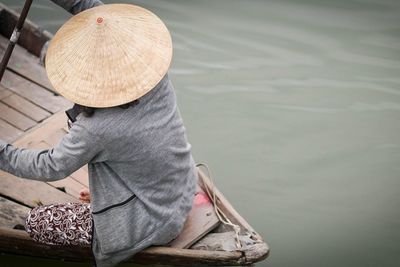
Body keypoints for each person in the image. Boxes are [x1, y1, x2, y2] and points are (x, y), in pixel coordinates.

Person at [0, 2, 197, 267]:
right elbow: (97, 13)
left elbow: (49, 166)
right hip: (181, 190)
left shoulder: (97, 128)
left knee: (38, 222)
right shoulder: (155, 78)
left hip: (152, 222)